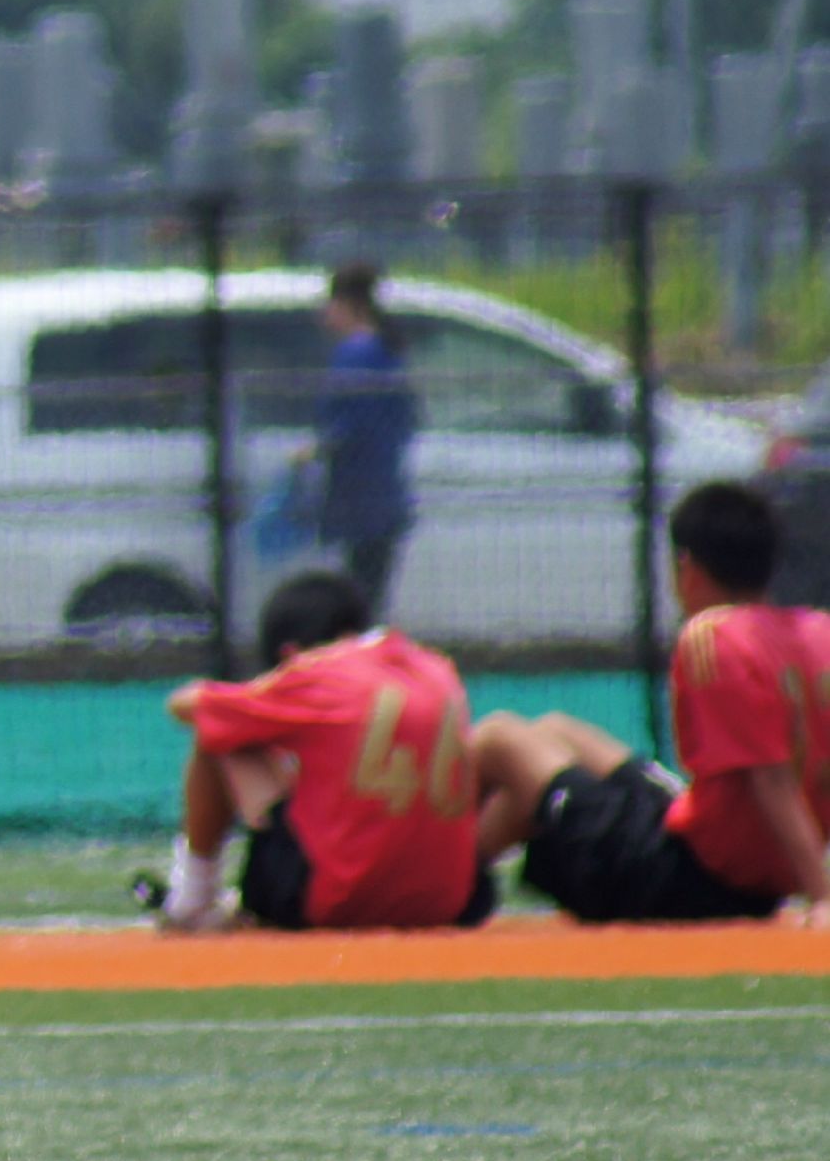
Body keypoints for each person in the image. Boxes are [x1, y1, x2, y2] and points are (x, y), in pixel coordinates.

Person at [471, 482, 830, 926]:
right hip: (735, 874)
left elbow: (772, 780)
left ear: (688, 568)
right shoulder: (816, 634)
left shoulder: (716, 637)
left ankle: (447, 889)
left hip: (680, 882)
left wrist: (821, 895)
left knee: (499, 738)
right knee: (554, 732)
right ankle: (462, 882)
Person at [154, 568, 493, 933]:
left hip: (335, 900)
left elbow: (186, 704)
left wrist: (265, 689)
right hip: (447, 901)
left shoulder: (317, 673)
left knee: (219, 733)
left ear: (291, 652)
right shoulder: (436, 667)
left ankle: (191, 901)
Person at [312, 260, 418, 614]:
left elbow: (350, 422)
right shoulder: (386, 350)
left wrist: (320, 447)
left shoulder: (358, 353)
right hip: (382, 493)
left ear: (349, 306)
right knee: (370, 589)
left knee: (360, 594)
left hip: (361, 494)